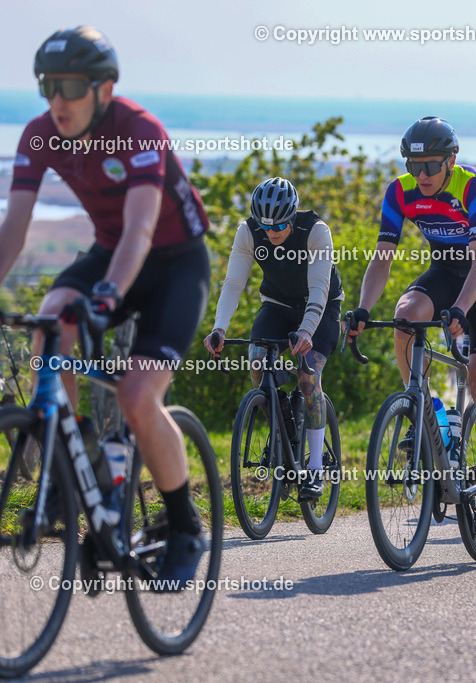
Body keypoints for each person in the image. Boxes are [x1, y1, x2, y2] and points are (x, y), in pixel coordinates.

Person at [0, 27, 210, 589]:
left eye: (69, 86)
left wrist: (110, 296)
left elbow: (142, 228)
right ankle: (86, 461)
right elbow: (13, 228)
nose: (56, 101)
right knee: (50, 328)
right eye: (48, 86)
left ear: (104, 88)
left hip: (172, 266)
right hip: (108, 253)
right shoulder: (41, 134)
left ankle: (186, 525)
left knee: (140, 398)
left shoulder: (139, 131)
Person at [349, 116, 476, 537]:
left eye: (431, 166)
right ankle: (427, 409)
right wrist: (363, 309)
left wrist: (460, 310)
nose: (421, 175)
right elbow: (382, 256)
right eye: (413, 166)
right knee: (406, 314)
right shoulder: (400, 192)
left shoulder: (473, 186)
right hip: (445, 270)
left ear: (451, 160)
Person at [204, 178, 342, 500]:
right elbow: (233, 283)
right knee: (256, 362)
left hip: (321, 309)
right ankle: (284, 428)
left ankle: (316, 470)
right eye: (266, 226)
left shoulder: (316, 231)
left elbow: (320, 289)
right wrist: (219, 328)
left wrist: (307, 330)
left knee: (308, 375)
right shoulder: (248, 232)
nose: (273, 232)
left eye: (280, 224)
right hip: (277, 307)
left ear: (292, 216)